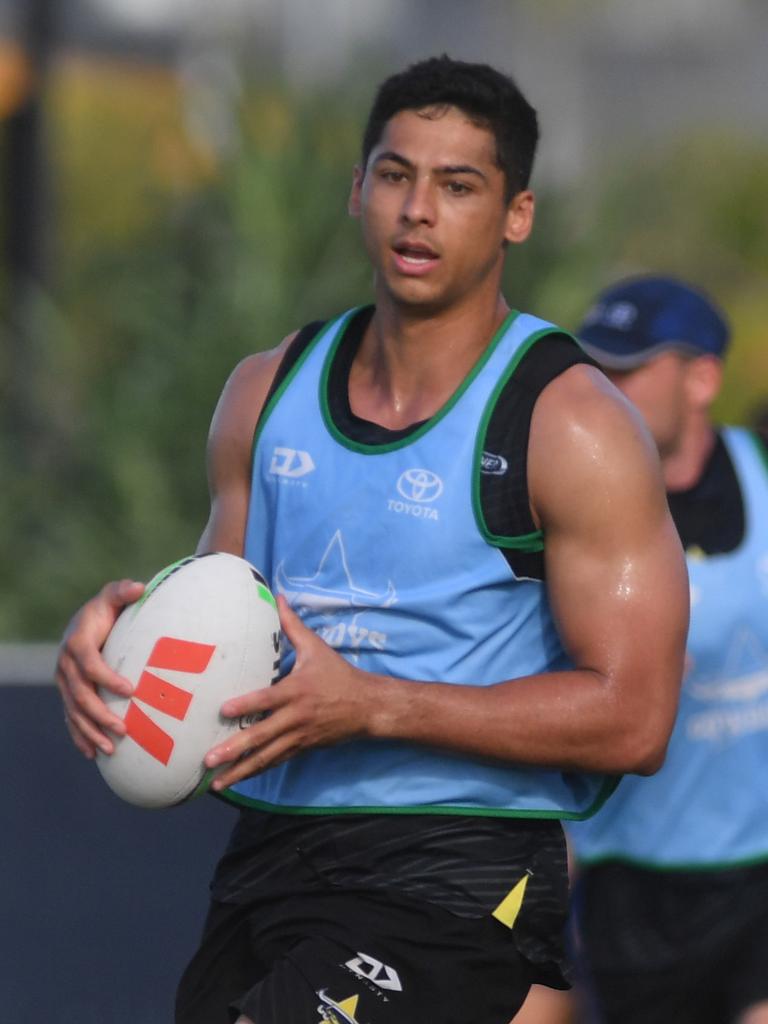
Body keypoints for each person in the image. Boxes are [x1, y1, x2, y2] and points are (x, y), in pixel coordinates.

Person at [55, 58, 688, 1024]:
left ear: (517, 214)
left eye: (459, 185)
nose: (418, 210)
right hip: (272, 857)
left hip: (452, 870)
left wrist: (373, 706)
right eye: (396, 175)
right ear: (358, 191)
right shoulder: (264, 393)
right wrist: (118, 646)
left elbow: (635, 719)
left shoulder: (571, 424)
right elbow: (223, 618)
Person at [567, 275, 768, 1024]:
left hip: (758, 872)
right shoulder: (577, 498)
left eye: (632, 368)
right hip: (633, 883)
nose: (608, 388)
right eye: (600, 368)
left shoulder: (764, 472)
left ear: (703, 378)